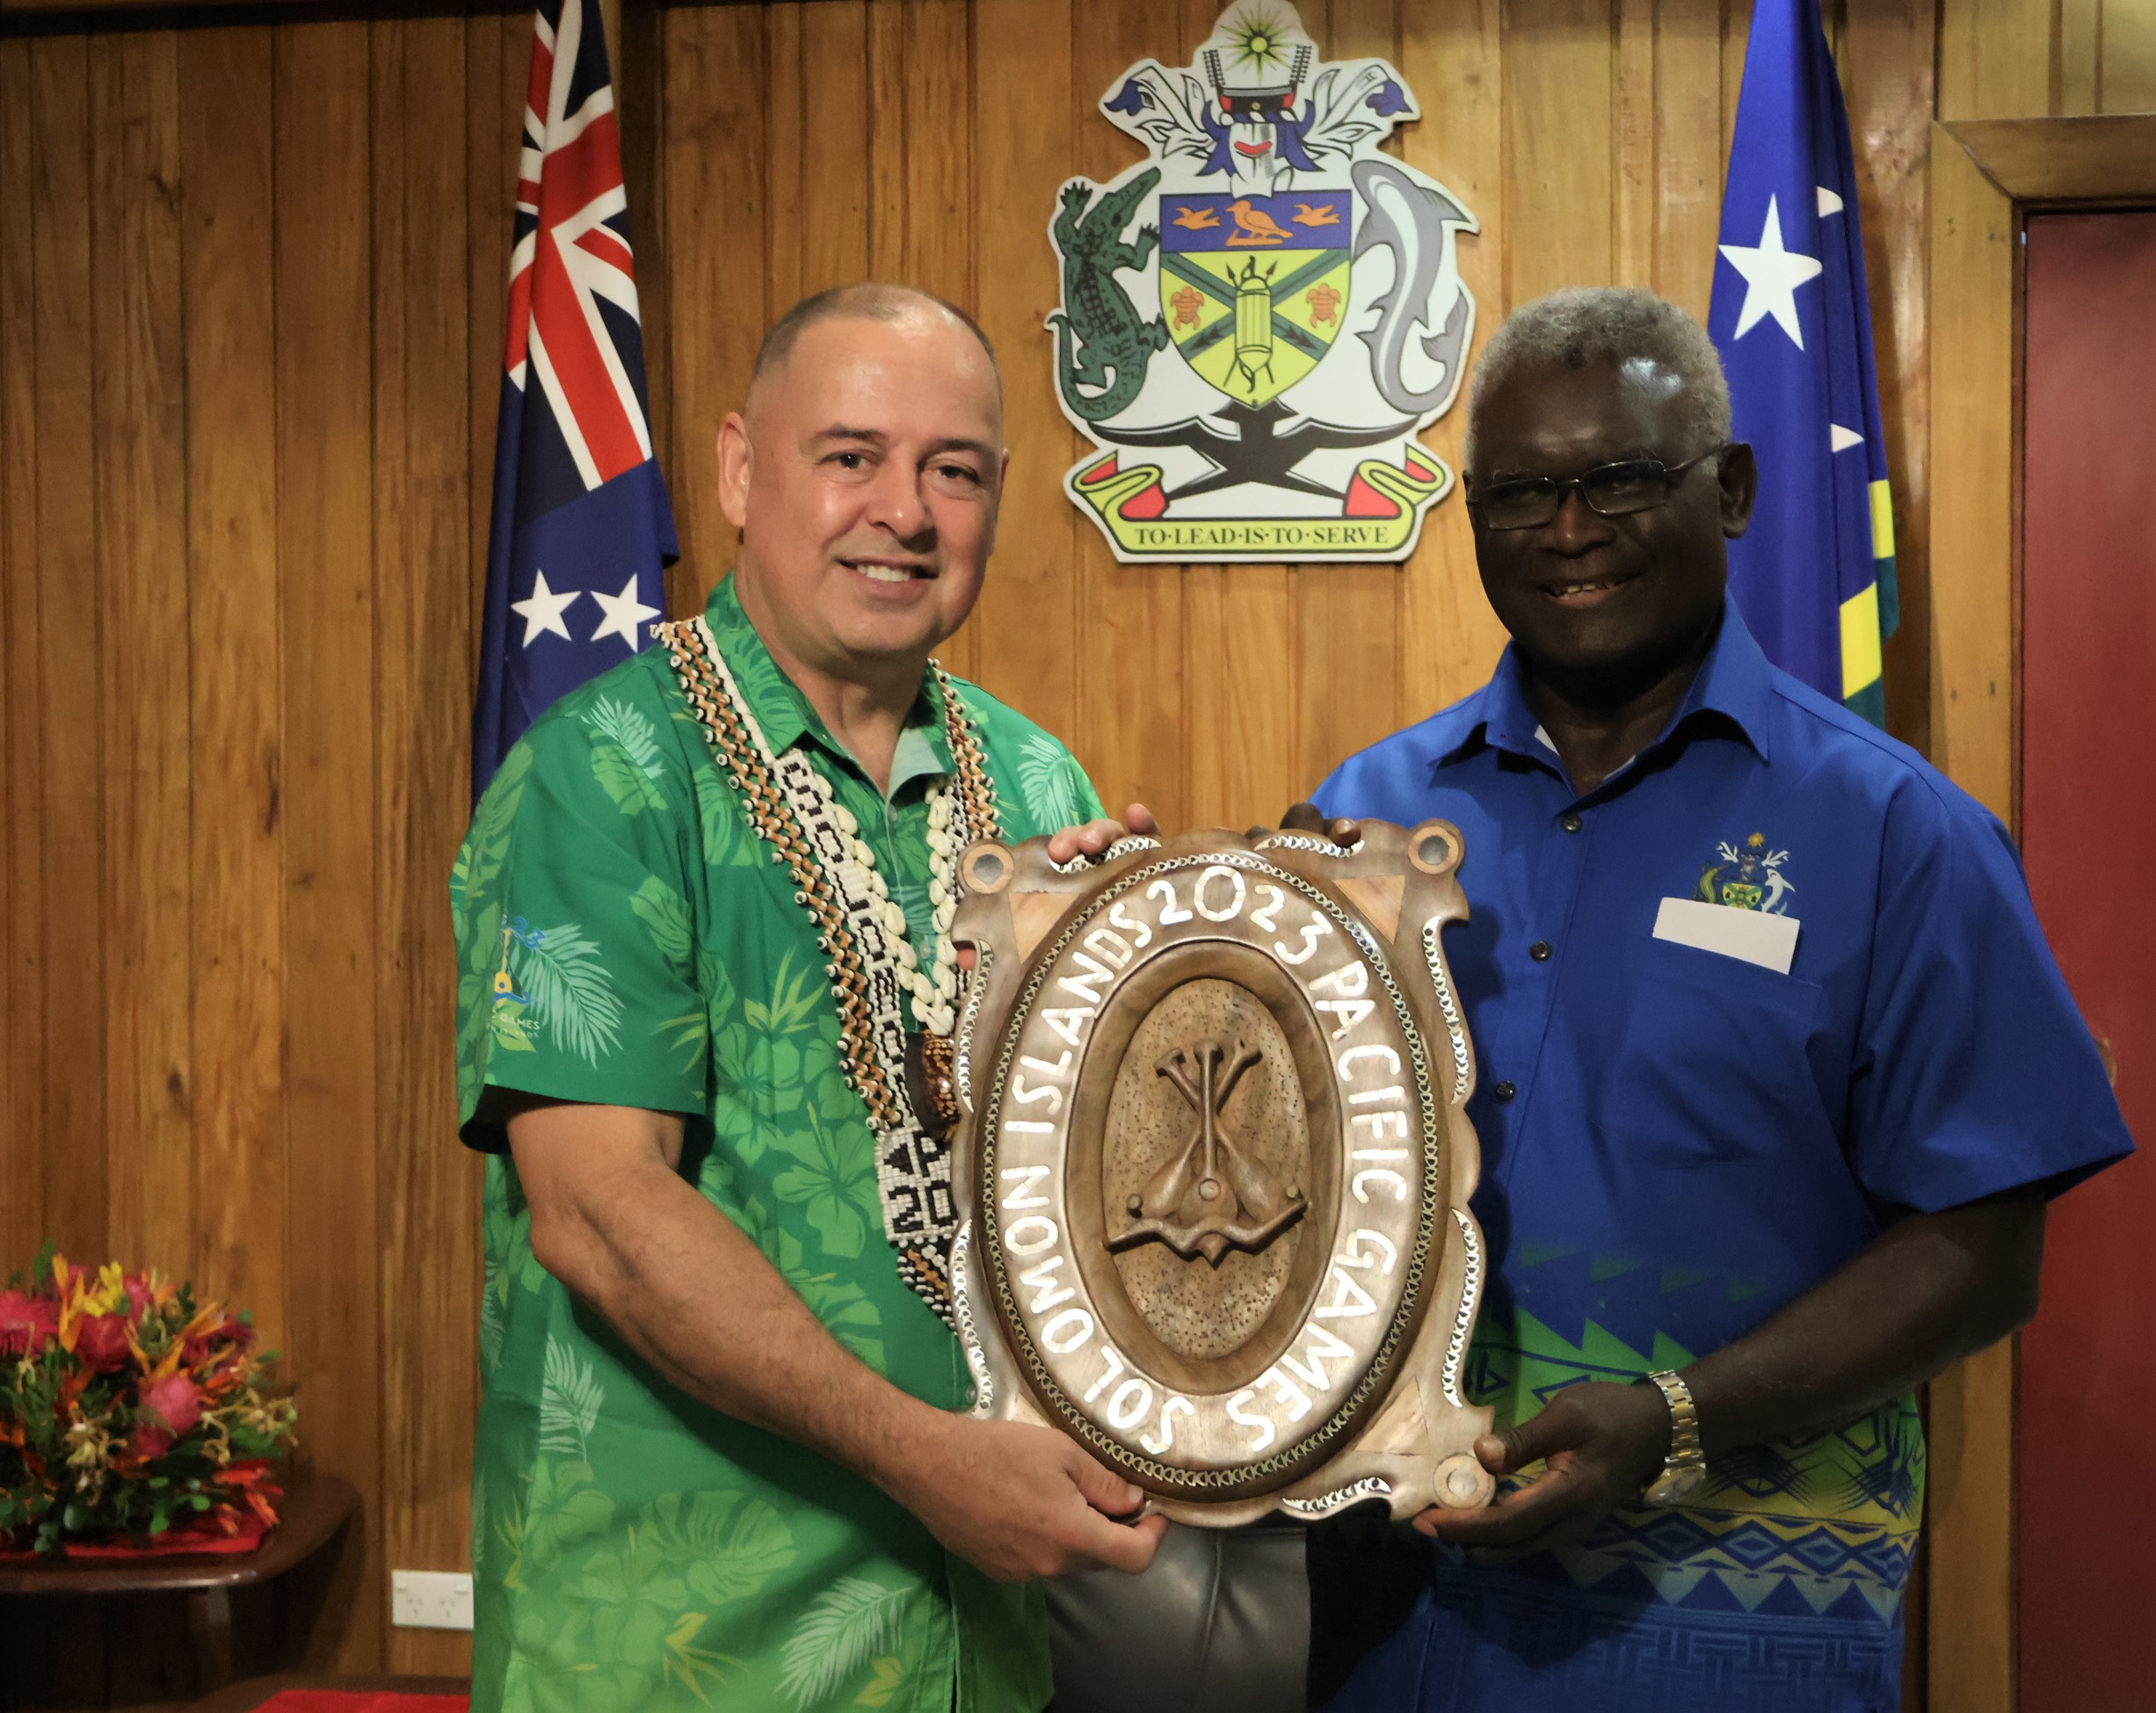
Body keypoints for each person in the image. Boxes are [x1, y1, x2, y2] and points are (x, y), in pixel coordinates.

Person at [1296, 287, 2131, 1712]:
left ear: (1729, 488)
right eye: (1520, 493)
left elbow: (1987, 1249)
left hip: (1745, 1632)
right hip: (1397, 1625)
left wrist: (1675, 1418)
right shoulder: (1360, 817)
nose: (1569, 529)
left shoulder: (1895, 832)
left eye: (1621, 478)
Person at [450, 284, 1166, 1712]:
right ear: (737, 471)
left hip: (979, 1645)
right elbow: (600, 1214)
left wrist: (1141, 989)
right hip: (684, 1652)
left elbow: (1099, 1197)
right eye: (850, 455)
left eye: (952, 471)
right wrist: (926, 1458)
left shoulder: (1039, 784)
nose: (902, 510)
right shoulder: (603, 773)